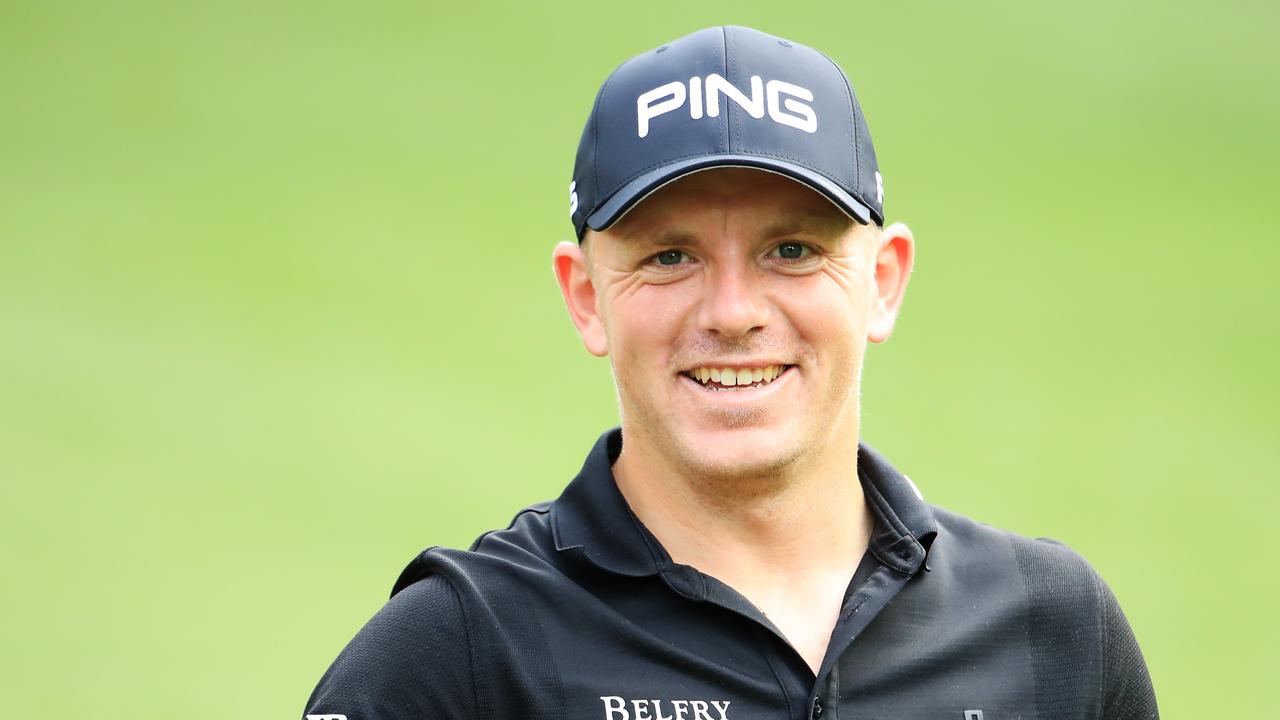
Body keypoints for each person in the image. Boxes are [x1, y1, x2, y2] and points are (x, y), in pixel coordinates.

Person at [302, 25, 1158, 720]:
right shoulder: (462, 654)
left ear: (883, 283)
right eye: (671, 256)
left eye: (793, 250)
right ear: (587, 297)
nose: (733, 310)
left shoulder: (1054, 632)